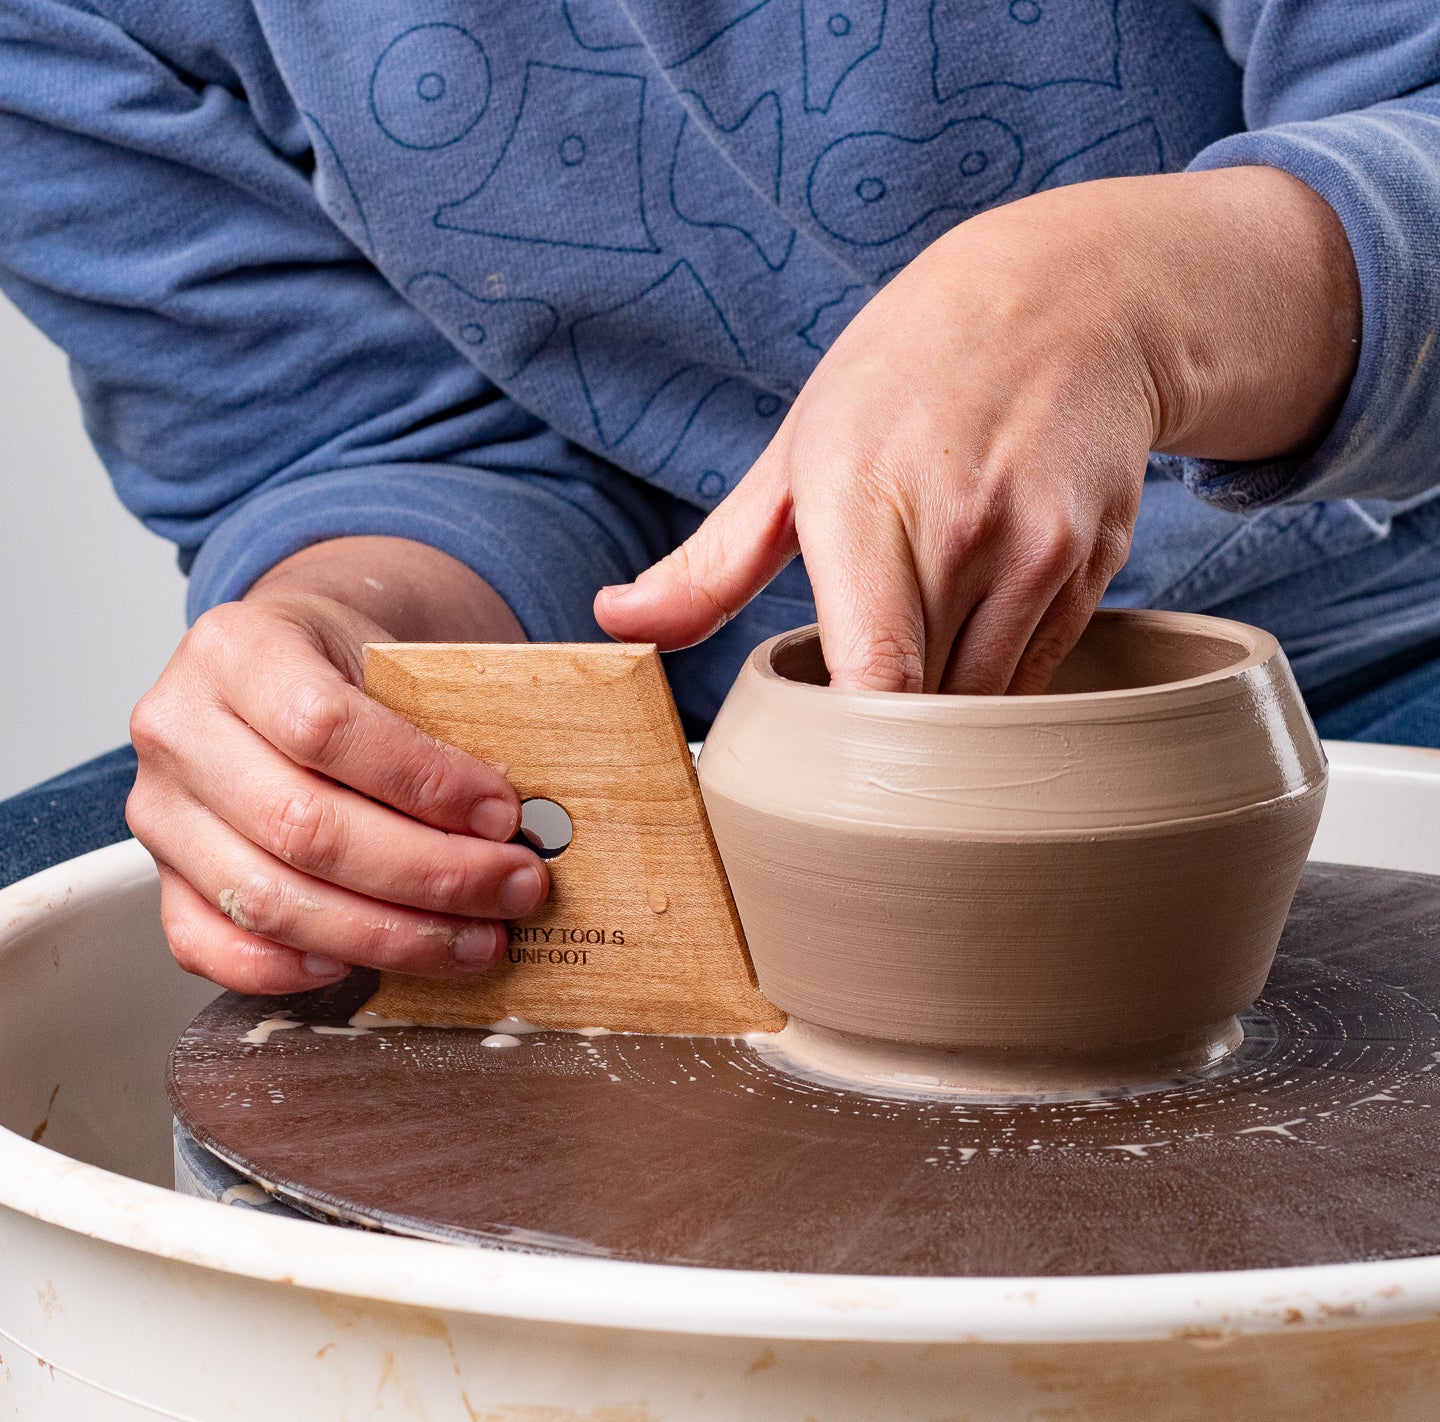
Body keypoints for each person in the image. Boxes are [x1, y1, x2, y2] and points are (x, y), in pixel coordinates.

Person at [1, 1, 1437, 996]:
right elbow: (369, 436)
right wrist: (337, 656)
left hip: (1373, 631)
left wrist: (1135, 299)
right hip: (702, 731)